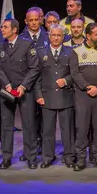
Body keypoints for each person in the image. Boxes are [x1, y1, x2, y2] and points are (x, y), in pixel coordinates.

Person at [0, 18, 40, 170]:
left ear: (14, 30)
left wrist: (23, 86)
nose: (1, 29)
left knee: (28, 124)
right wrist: (7, 84)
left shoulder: (27, 44)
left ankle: (31, 157)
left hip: (24, 91)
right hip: (7, 91)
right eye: (1, 27)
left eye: (5, 27)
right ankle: (6, 157)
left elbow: (34, 68)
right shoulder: (0, 46)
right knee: (6, 126)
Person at [70, 23, 97, 171]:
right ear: (88, 36)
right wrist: (87, 87)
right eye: (96, 34)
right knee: (82, 127)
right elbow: (75, 73)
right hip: (82, 95)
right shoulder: (76, 51)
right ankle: (81, 159)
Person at [34, 25, 76, 168]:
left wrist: (66, 80)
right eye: (53, 35)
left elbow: (75, 74)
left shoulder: (70, 52)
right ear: (49, 36)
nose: (56, 38)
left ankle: (69, 156)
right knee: (47, 130)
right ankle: (47, 156)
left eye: (59, 35)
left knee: (67, 130)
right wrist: (38, 94)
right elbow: (36, 76)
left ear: (63, 37)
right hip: (47, 96)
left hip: (66, 96)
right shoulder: (40, 53)